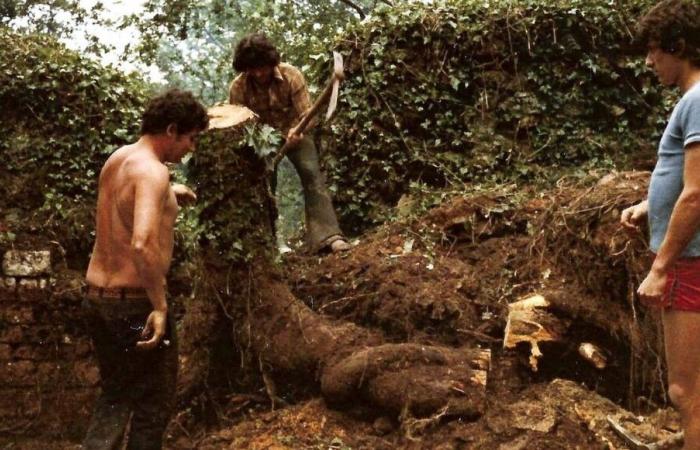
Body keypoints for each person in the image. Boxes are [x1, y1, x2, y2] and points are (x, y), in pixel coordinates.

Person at [82, 88, 208, 450]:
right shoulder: (153, 173)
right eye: (190, 139)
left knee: (115, 397)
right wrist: (160, 305)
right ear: (171, 130)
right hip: (135, 306)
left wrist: (169, 193)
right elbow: (140, 242)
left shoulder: (119, 159)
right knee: (154, 402)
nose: (191, 149)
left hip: (98, 300)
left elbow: (124, 203)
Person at [621, 1, 700, 448]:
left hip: (689, 262)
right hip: (691, 258)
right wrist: (649, 205)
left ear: (681, 46)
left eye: (654, 50)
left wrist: (660, 268)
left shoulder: (699, 100)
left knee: (686, 392)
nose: (649, 62)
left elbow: (696, 193)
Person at [228, 33, 351, 253]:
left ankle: (329, 236)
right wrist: (261, 144)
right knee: (265, 187)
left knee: (311, 172)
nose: (258, 73)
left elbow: (308, 114)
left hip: (297, 131)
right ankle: (271, 243)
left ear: (271, 61)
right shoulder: (238, 88)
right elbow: (239, 128)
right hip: (263, 141)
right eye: (252, 69)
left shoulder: (291, 75)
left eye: (262, 67)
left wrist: (297, 130)